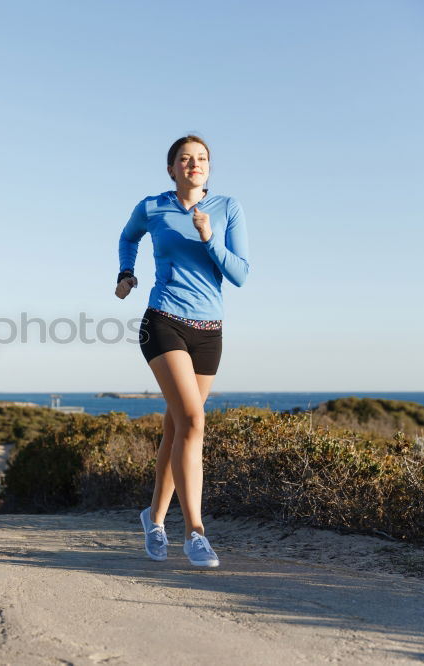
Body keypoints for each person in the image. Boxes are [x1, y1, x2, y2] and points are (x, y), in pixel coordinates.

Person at [115, 135, 250, 567]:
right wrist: (126, 272)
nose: (195, 164)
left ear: (209, 168)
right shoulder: (153, 207)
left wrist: (209, 237)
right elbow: (128, 237)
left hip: (209, 332)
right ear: (171, 168)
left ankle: (153, 519)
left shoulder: (228, 208)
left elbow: (241, 274)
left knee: (178, 430)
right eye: (185, 159)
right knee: (194, 420)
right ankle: (195, 532)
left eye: (202, 158)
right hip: (164, 322)